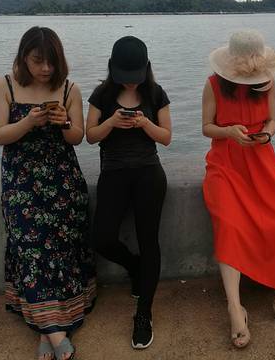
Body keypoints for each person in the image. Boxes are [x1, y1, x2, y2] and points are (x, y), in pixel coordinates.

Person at [202, 30, 275, 349]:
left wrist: (266, 134)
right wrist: (229, 132)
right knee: (229, 225)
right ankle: (234, 307)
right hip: (225, 162)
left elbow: (272, 121)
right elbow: (206, 127)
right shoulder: (213, 84)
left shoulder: (268, 83)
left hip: (261, 158)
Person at [0, 26, 96, 360]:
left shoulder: (70, 89)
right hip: (20, 183)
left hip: (63, 180)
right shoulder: (4, 86)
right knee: (30, 251)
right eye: (37, 61)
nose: (45, 68)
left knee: (62, 248)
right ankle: (55, 330)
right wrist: (28, 122)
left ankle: (46, 331)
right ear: (24, 57)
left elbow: (77, 138)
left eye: (51, 61)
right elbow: (0, 134)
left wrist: (64, 123)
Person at [86, 35, 171, 350]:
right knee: (102, 238)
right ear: (113, 69)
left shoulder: (156, 93)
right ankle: (135, 268)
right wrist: (111, 122)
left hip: (149, 174)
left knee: (150, 242)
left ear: (146, 69)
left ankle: (144, 314)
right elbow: (90, 136)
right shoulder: (102, 94)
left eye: (136, 77)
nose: (132, 83)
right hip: (114, 174)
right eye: (126, 77)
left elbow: (166, 137)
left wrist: (145, 124)